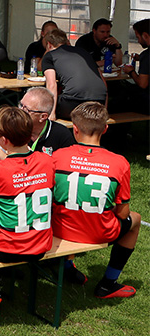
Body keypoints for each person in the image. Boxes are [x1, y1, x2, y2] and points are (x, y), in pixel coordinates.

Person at [0, 106, 55, 322]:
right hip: (39, 246)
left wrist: (5, 163)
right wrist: (9, 160)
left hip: (5, 249)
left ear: (3, 140)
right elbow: (22, 173)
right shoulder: (46, 161)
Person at [52, 102, 140, 298]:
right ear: (105, 129)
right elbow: (123, 214)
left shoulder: (57, 156)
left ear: (75, 129)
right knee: (135, 219)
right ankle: (108, 284)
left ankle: (68, 268)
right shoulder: (120, 163)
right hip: (99, 232)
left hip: (59, 228)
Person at [41, 28, 107, 119]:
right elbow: (103, 83)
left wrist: (52, 114)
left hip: (73, 103)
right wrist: (105, 111)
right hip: (98, 103)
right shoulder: (83, 53)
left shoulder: (50, 56)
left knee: (42, 103)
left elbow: (51, 84)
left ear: (49, 44)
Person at [17, 87, 75, 155]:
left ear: (43, 117)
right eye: (21, 105)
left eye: (26, 110)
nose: (20, 111)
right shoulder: (13, 128)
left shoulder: (62, 135)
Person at [121, 18, 150, 113]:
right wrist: (140, 58)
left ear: (145, 35)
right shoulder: (145, 56)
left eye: (138, 37)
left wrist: (131, 72)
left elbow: (142, 84)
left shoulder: (147, 55)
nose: (138, 41)